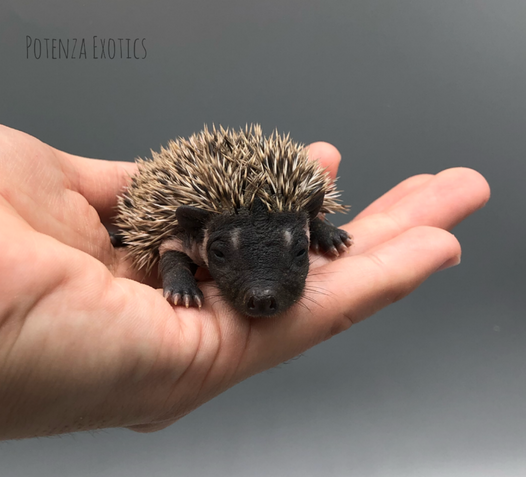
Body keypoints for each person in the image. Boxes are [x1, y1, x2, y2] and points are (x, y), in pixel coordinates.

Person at [0, 125, 490, 440]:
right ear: (196, 232)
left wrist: (322, 232)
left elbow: (302, 223)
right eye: (218, 254)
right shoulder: (184, 230)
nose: (261, 293)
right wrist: (178, 278)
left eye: (298, 249)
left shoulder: (299, 215)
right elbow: (169, 249)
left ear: (306, 220)